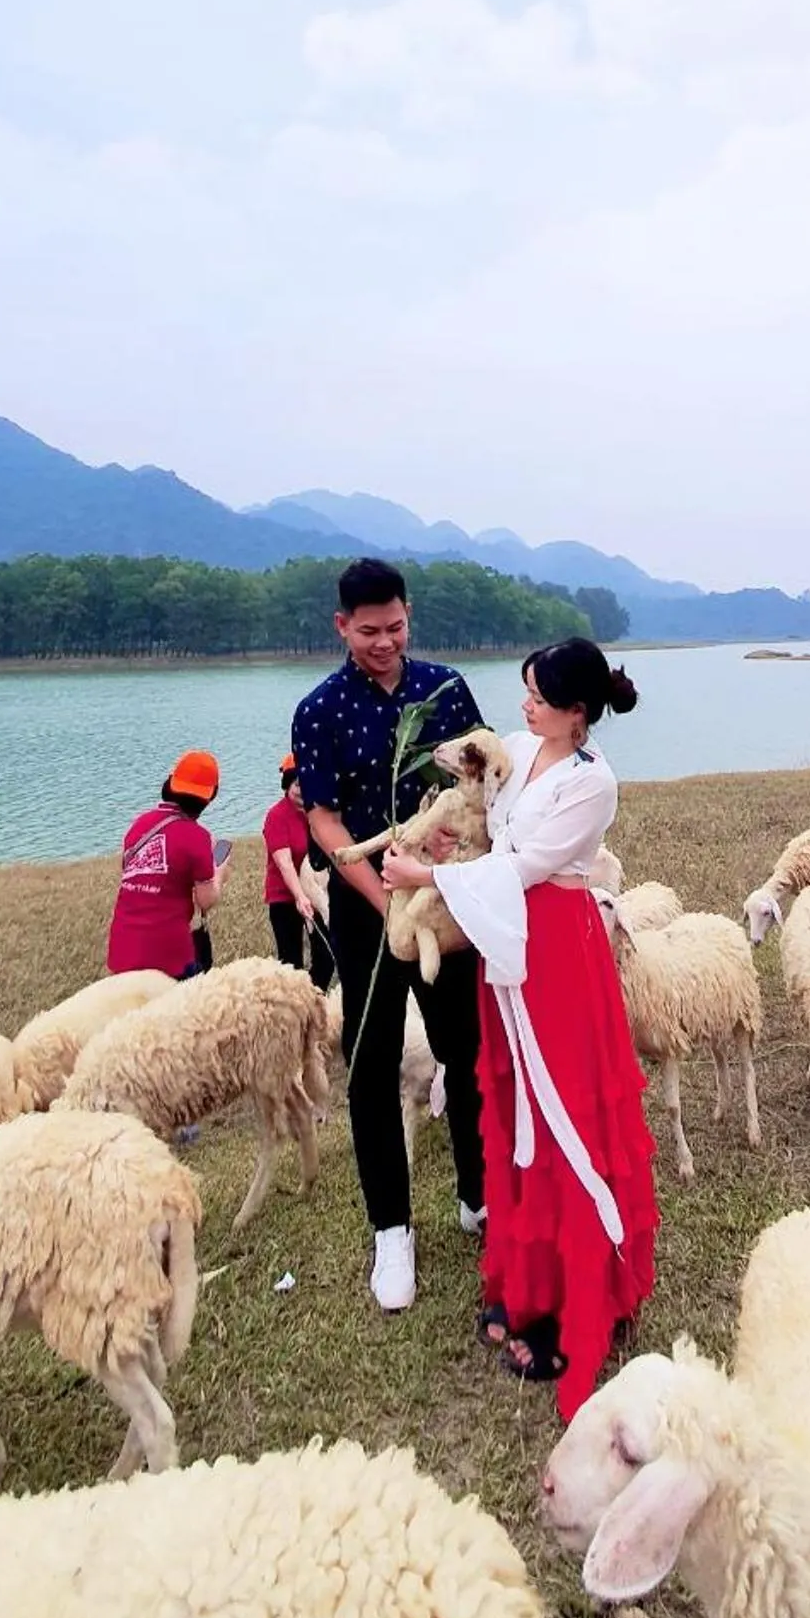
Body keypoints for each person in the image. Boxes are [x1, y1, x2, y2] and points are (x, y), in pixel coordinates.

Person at [384, 637, 657, 1421]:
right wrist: (444, 840)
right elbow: (489, 827)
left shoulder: (590, 783)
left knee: (565, 1104)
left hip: (555, 950)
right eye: (526, 691)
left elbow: (527, 867)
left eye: (539, 695)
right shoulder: (520, 750)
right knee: (517, 1109)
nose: (525, 704)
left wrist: (429, 878)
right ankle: (527, 1282)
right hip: (508, 943)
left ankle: (582, 1294)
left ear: (579, 713)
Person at [291, 558, 486, 1313]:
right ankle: (392, 1231)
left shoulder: (446, 688)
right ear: (341, 627)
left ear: (410, 616)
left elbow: (479, 783)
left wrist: (448, 863)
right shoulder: (319, 711)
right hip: (368, 907)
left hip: (445, 900)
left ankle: (477, 1194)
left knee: (465, 1050)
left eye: (395, 627)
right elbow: (325, 819)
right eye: (368, 631)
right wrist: (385, 897)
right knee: (370, 1068)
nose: (384, 642)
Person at [110, 750, 225, 981]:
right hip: (168, 955)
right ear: (210, 795)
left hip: (122, 948)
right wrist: (219, 867)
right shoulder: (197, 837)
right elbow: (206, 900)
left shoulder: (139, 824)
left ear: (171, 783)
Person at [262, 755, 331, 989]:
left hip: (317, 894)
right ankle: (293, 1006)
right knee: (290, 963)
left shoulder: (320, 813)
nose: (303, 791)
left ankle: (312, 998)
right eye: (298, 785)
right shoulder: (276, 816)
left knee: (326, 956)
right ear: (287, 785)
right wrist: (300, 896)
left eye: (308, 784)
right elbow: (284, 862)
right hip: (284, 896)